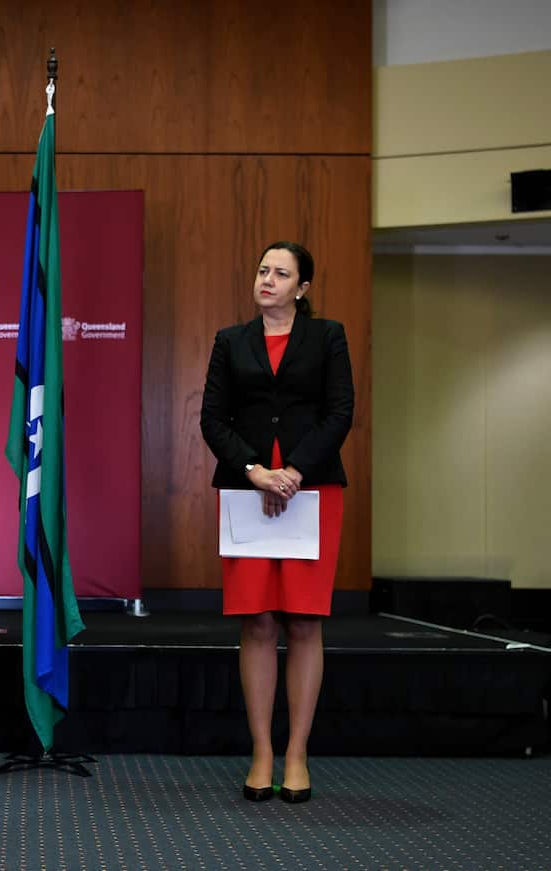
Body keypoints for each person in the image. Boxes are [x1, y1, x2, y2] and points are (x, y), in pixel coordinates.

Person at [199, 241, 354, 804]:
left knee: (305, 622)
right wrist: (255, 471)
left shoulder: (327, 337)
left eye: (280, 273)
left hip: (312, 488)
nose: (267, 279)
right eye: (262, 269)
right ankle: (262, 751)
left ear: (302, 289)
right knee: (257, 621)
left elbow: (341, 412)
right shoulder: (230, 341)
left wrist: (293, 471)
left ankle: (297, 754)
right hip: (247, 489)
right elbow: (212, 418)